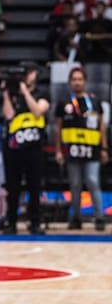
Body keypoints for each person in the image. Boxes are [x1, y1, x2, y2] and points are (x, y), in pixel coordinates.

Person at [54, 67, 108, 231]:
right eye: (74, 79)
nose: (77, 82)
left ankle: (99, 217)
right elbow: (58, 128)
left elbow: (101, 126)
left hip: (92, 150)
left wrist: (104, 148)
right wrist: (58, 150)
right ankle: (76, 217)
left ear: (85, 81)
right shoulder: (64, 103)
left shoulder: (95, 101)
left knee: (92, 181)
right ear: (70, 82)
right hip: (72, 151)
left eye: (80, 79)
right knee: (75, 184)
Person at [1, 63, 50, 235]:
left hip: (34, 148)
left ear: (35, 74)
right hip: (13, 148)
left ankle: (35, 222)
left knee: (34, 187)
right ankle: (11, 221)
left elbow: (38, 111)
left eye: (28, 73)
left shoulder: (42, 93)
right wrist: (6, 93)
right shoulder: (13, 94)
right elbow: (8, 115)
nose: (26, 76)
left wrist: (25, 92)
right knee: (13, 188)